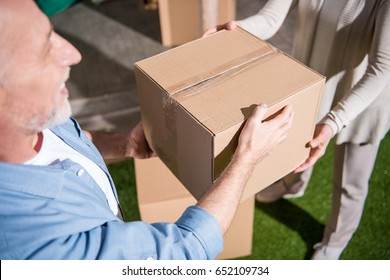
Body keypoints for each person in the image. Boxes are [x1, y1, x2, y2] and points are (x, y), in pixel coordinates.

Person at [0, 0, 294, 260]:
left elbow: (71, 138)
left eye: (54, 33)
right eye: (43, 48)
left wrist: (123, 144)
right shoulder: (39, 245)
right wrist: (245, 158)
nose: (73, 54)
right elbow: (183, 250)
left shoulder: (32, 117)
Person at [205, 0, 390, 259]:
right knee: (298, 147)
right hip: (311, 84)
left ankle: (334, 243)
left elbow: (382, 69)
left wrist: (334, 121)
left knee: (351, 182)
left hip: (361, 101)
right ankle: (292, 185)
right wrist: (238, 29)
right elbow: (270, 18)